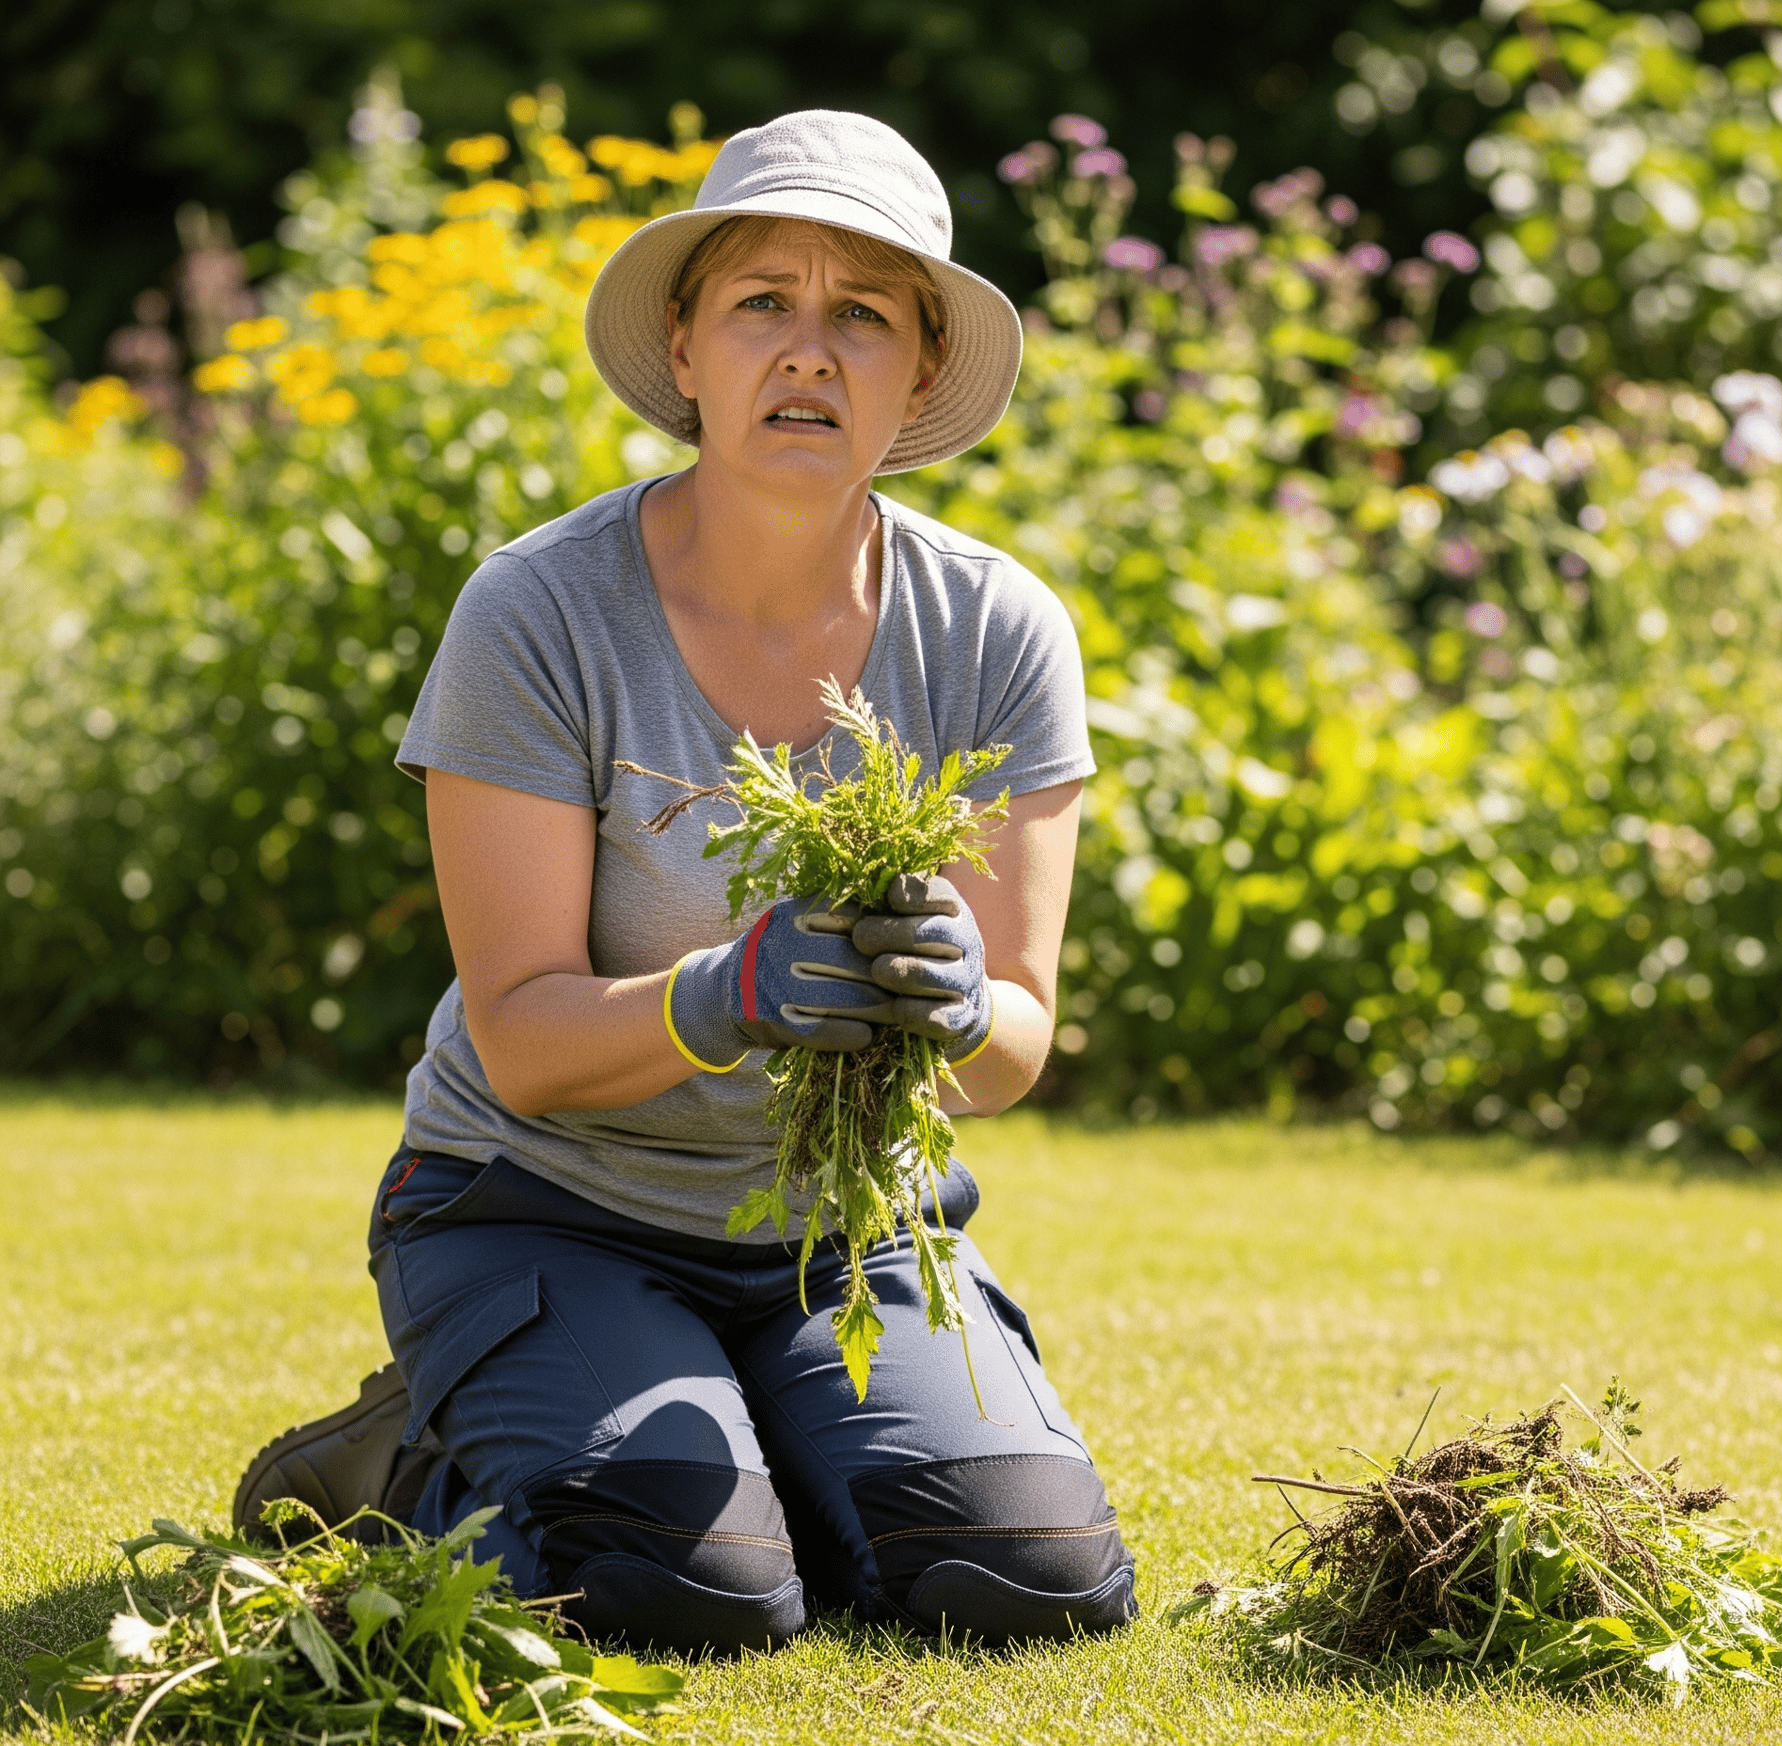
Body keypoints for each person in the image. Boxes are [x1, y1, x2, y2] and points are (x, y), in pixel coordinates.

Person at [233, 109, 1135, 1656]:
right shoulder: (538, 612)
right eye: (762, 303)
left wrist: (959, 999)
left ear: (920, 371)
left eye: (863, 313)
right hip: (545, 1202)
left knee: (1033, 1578)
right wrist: (726, 994)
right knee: (682, 1593)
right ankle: (407, 1454)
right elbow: (520, 1034)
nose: (810, 348)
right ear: (688, 345)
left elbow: (1016, 1044)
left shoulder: (996, 629)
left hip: (841, 1234)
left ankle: (741, 1443)